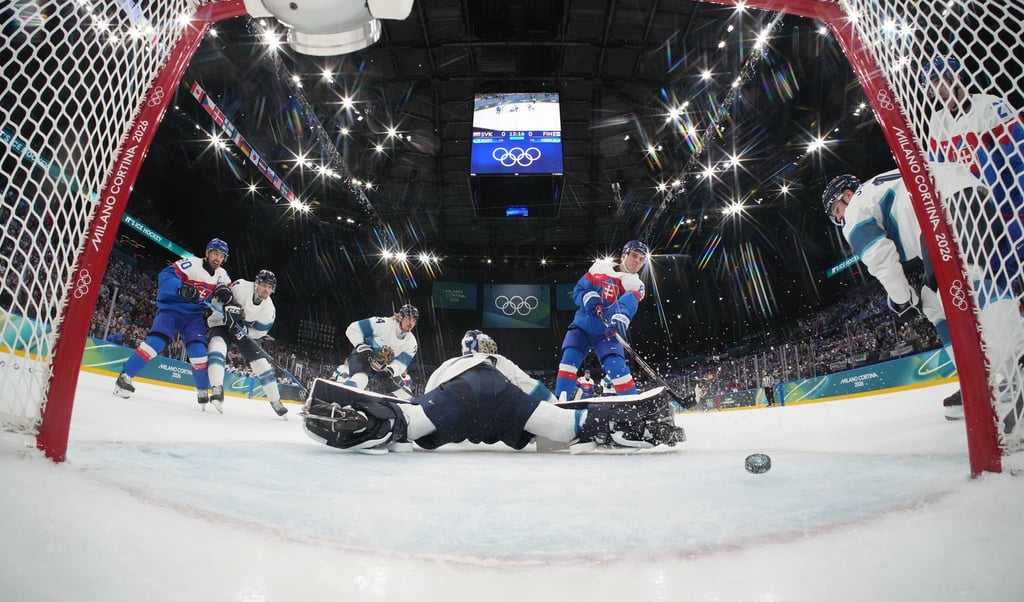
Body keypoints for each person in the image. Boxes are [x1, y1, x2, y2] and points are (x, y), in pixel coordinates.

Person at [822, 168, 1023, 422]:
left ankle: (1011, 367)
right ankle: (977, 378)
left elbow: (879, 257)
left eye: (837, 211)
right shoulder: (881, 184)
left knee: (969, 283)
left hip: (940, 212)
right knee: (944, 298)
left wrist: (901, 298)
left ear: (847, 195)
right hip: (973, 195)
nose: (840, 219)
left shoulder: (856, 207)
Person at [300, 329, 684, 454]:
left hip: (454, 399)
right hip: (503, 401)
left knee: (409, 424)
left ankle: (365, 421)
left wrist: (412, 416)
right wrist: (556, 422)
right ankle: (626, 424)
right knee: (567, 427)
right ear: (487, 349)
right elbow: (542, 395)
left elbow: (426, 399)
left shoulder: (447, 365)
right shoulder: (499, 362)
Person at [922, 56, 1024, 264]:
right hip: (978, 222)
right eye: (932, 86)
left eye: (940, 81)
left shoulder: (991, 107)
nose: (938, 91)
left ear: (957, 77)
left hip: (1012, 212)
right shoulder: (937, 123)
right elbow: (940, 175)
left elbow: (1019, 161)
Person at [113, 238, 231, 409]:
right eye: (215, 253)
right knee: (156, 343)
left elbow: (226, 295)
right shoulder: (191, 264)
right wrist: (180, 288)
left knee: (199, 353)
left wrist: (226, 296)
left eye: (221, 256)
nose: (217, 258)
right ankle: (124, 377)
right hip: (171, 310)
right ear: (207, 253)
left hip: (193, 317)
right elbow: (165, 275)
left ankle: (203, 391)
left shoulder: (223, 275)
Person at [554, 240, 650, 400]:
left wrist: (621, 317)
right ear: (624, 255)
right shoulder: (599, 268)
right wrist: (589, 297)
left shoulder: (637, 284)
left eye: (641, 259)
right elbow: (579, 290)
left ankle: (633, 404)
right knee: (568, 361)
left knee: (618, 369)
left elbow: (629, 302)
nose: (637, 261)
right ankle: (559, 401)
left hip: (608, 332)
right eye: (634, 256)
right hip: (582, 327)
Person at [205, 269, 288, 417]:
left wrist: (246, 332)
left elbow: (261, 332)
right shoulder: (240, 287)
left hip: (243, 332)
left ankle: (276, 401)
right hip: (222, 323)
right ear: (256, 284)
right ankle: (217, 389)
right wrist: (227, 310)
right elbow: (219, 299)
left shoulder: (269, 310)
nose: (266, 290)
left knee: (262, 363)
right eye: (264, 285)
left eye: (269, 287)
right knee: (217, 346)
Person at [338, 304, 420, 400]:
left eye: (414, 321)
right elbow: (353, 328)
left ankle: (412, 410)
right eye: (409, 319)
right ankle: (339, 398)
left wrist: (391, 370)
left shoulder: (412, 343)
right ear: (400, 317)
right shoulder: (383, 324)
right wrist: (361, 346)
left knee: (402, 392)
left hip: (383, 367)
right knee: (361, 379)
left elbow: (401, 364)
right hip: (363, 357)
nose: (411, 323)